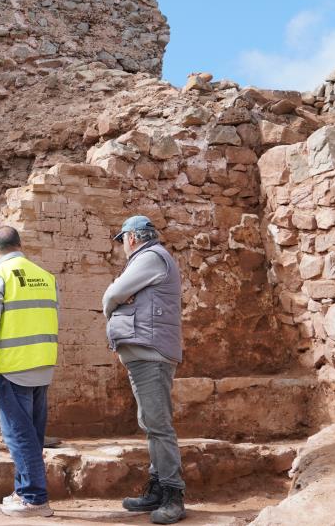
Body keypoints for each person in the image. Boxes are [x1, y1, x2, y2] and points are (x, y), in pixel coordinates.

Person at [103, 216, 186, 524]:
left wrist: (114, 307)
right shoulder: (150, 259)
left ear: (133, 237)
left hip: (152, 354)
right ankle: (157, 488)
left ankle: (173, 494)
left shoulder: (150, 257)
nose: (122, 246)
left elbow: (112, 294)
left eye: (122, 239)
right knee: (151, 422)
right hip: (145, 354)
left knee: (158, 424)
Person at [0, 226, 58, 518]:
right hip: (43, 363)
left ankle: (35, 498)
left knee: (18, 436)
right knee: (32, 434)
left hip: (14, 366)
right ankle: (25, 491)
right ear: (20, 245)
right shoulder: (46, 276)